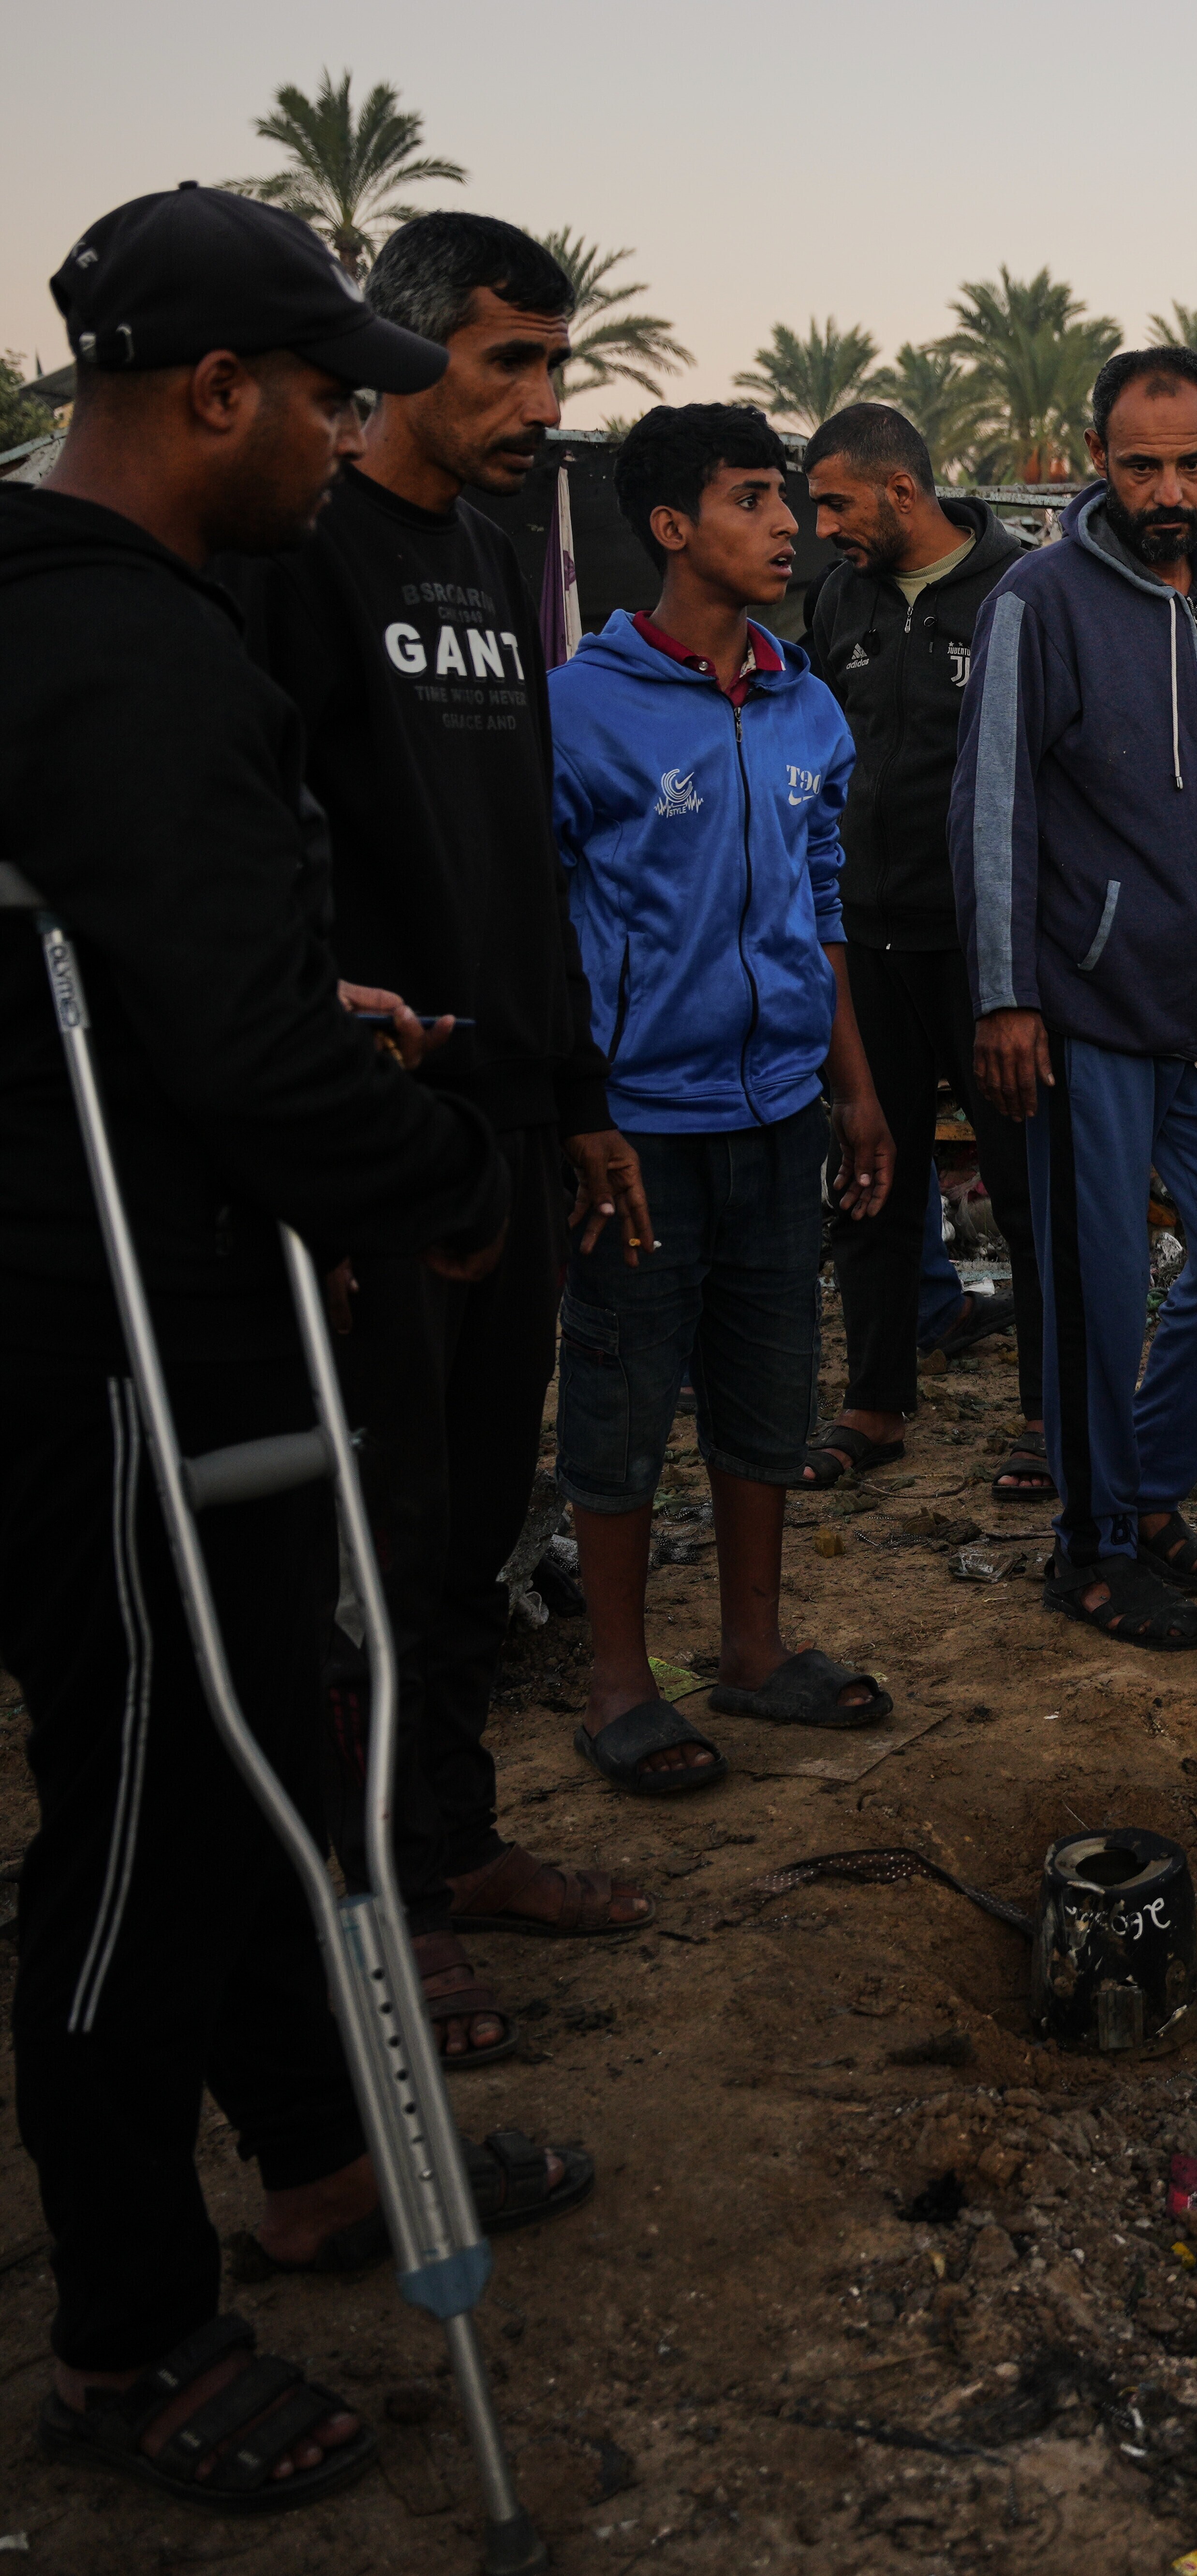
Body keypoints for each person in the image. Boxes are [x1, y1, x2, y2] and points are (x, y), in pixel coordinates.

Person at [1, 184, 588, 2517]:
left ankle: (324, 2158)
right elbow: (243, 1046)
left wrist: (274, 1036)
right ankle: (132, 2327)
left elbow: (165, 983)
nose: (354, 430)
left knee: (262, 1750)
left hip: (142, 1244)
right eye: (329, 393)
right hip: (116, 1322)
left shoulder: (56, 607)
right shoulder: (128, 649)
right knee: (152, 1798)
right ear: (213, 395)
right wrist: (441, 1186)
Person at [218, 209, 655, 2076]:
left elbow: (521, 860)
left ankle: (453, 1842)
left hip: (503, 1123)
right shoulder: (295, 558)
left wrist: (575, 1101)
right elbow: (272, 871)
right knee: (374, 1539)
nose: (546, 404)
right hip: (370, 1140)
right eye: (512, 366)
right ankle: (365, 1904)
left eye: (558, 367)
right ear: (404, 361)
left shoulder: (493, 557)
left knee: (484, 1503)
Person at [549, 403, 897, 1794]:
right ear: (672, 528)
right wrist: (582, 1116)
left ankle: (753, 1655)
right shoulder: (581, 710)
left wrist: (855, 1091)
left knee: (768, 1390)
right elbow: (536, 922)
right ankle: (624, 1686)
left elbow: (826, 916)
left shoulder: (809, 702)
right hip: (640, 1127)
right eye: (755, 500)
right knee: (624, 1395)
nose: (789, 526)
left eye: (787, 500)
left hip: (776, 1114)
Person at [953, 345, 1197, 1652]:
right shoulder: (1038, 600)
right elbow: (994, 804)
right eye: (1141, 463)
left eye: (1191, 462)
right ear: (1099, 460)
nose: (1168, 487)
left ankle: (1142, 1494)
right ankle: (1091, 1553)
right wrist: (1003, 996)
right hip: (1083, 1008)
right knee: (1099, 1296)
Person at [792, 399, 1044, 1497]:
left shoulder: (1024, 591)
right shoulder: (838, 602)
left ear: (903, 491)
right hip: (865, 942)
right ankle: (876, 1402)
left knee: (1034, 1186)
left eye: (835, 503)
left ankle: (1052, 1413)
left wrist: (1025, 967)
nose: (820, 527)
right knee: (870, 1176)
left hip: (989, 955)